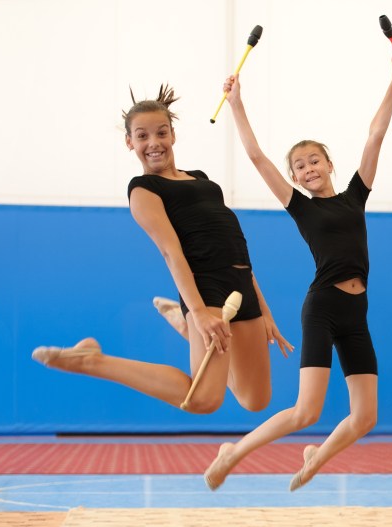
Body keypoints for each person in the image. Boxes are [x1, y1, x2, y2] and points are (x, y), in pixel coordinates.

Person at [203, 52, 392, 491]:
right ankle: (232, 453)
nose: (308, 168)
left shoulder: (356, 195)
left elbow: (375, 135)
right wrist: (237, 103)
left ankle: (317, 456)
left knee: (366, 416)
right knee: (306, 412)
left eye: (315, 160)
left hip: (357, 312)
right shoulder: (301, 207)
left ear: (330, 164)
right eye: (300, 166)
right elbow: (258, 157)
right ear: (295, 178)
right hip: (323, 306)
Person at [31, 85, 293, 413]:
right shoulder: (143, 190)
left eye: (161, 133)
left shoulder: (203, 181)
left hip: (242, 286)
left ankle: (185, 327)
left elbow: (236, 249)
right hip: (206, 289)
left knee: (255, 400)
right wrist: (197, 312)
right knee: (203, 400)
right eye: (142, 136)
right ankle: (93, 360)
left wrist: (265, 312)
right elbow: (172, 253)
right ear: (130, 142)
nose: (153, 143)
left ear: (173, 135)